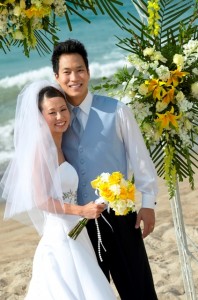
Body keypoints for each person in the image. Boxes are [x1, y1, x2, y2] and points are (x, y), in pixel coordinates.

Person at [51, 39, 159, 300]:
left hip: (121, 218)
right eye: (66, 72)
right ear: (56, 77)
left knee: (139, 290)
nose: (74, 77)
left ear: (88, 72)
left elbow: (141, 159)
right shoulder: (55, 119)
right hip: (79, 224)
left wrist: (148, 204)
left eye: (79, 70)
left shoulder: (117, 110)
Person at [0, 80, 117, 300]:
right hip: (59, 237)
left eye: (63, 109)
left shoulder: (62, 144)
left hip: (76, 234)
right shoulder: (39, 152)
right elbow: (40, 200)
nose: (60, 116)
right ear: (40, 117)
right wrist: (82, 211)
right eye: (51, 112)